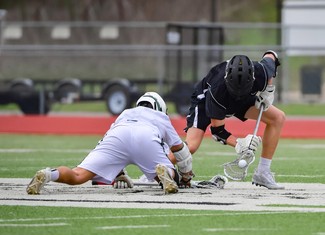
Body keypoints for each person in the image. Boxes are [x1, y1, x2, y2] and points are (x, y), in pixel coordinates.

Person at [26, 92, 194, 195]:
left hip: (117, 135)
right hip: (146, 136)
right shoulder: (160, 117)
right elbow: (180, 151)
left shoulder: (125, 113)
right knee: (169, 174)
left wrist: (119, 174)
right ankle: (165, 175)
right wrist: (186, 176)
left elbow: (114, 146)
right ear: (160, 107)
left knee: (78, 175)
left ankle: (49, 174)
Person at [179, 50, 285, 190]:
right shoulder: (217, 90)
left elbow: (271, 55)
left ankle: (263, 172)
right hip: (207, 102)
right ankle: (155, 168)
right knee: (191, 145)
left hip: (245, 99)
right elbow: (217, 131)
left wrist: (268, 90)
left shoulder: (262, 72)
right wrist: (239, 144)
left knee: (278, 117)